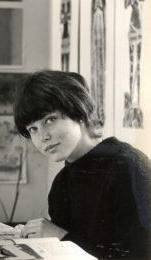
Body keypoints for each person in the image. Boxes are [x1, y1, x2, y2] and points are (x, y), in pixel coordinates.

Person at [13, 70, 151, 260]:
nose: (43, 137)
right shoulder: (62, 182)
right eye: (33, 129)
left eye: (50, 120)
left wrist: (62, 238)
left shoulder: (128, 167)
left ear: (79, 113)